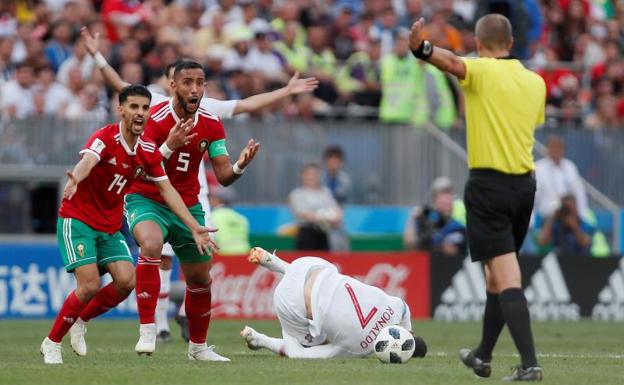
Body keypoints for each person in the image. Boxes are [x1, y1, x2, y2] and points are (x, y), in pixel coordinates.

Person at [81, 26, 318, 343]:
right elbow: (121, 86)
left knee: (198, 273)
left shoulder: (210, 113)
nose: (193, 89)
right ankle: (154, 327)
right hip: (150, 197)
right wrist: (96, 55)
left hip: (193, 200)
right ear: (171, 84)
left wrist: (284, 95)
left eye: (199, 83)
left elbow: (247, 105)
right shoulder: (152, 109)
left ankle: (192, 335)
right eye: (185, 82)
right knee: (156, 251)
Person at [409, 14, 546, 380]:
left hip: (489, 186)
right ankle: (482, 356)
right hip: (524, 187)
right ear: (512, 43)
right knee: (495, 278)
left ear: (479, 43)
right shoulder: (536, 83)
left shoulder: (481, 70)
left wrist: (421, 48)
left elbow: (450, 62)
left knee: (507, 276)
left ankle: (530, 364)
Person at [40, 84, 215, 364]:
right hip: (79, 219)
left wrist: (194, 225)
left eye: (145, 107)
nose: (140, 113)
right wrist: (76, 178)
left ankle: (80, 321)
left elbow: (168, 190)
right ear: (120, 110)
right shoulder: (105, 137)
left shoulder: (147, 149)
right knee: (89, 286)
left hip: (109, 226)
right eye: (133, 107)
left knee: (126, 281)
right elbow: (88, 160)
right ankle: (52, 342)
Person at [240, 247, 428, 359]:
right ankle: (260, 340)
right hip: (289, 301)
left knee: (331, 280)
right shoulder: (358, 349)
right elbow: (300, 355)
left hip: (311, 265)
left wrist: (408, 329)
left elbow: (406, 309)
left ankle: (276, 263)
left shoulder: (395, 307)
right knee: (304, 348)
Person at [403, 176, 466, 256]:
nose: (445, 200)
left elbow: (453, 250)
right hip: (423, 260)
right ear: (435, 199)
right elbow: (410, 243)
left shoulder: (456, 225)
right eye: (441, 196)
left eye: (448, 195)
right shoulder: (423, 217)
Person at [534, 135, 590, 221]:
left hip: (568, 216)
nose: (556, 151)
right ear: (547, 149)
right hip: (546, 217)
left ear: (564, 150)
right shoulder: (539, 168)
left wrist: (582, 215)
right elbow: (535, 196)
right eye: (553, 147)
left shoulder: (570, 167)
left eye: (559, 147)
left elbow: (579, 193)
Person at [289, 163, 344, 251]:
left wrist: (336, 216)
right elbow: (303, 214)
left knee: (323, 263)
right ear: (302, 176)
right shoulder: (297, 194)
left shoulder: (325, 192)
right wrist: (325, 216)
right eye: (309, 174)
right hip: (306, 234)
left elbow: (336, 210)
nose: (312, 177)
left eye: (315, 174)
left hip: (323, 234)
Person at [209, 186, 250, 255]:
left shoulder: (213, 216)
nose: (210, 200)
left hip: (223, 255)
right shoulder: (242, 218)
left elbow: (212, 239)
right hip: (243, 254)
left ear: (218, 200)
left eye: (212, 197)